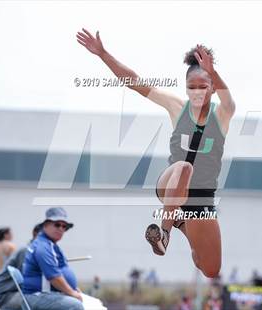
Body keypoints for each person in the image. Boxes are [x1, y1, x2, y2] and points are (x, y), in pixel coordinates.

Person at [76, 28, 235, 279]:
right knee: (185, 167)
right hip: (171, 183)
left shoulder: (222, 115)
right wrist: (103, 54)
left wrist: (213, 71)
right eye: (191, 87)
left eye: (203, 86)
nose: (197, 92)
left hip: (201, 198)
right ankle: (165, 233)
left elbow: (230, 103)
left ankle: (184, 227)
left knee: (210, 269)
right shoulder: (176, 107)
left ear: (213, 87)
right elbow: (135, 82)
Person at [22, 207, 83, 310]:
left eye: (64, 226)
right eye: (57, 224)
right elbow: (54, 277)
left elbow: (60, 271)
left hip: (47, 294)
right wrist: (72, 293)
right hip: (38, 295)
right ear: (46, 225)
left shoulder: (49, 244)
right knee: (75, 306)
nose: (61, 229)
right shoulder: (43, 247)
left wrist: (74, 289)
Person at [0, 224, 42, 310]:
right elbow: (19, 267)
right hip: (7, 288)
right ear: (6, 235)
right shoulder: (12, 246)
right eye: (10, 234)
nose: (12, 236)